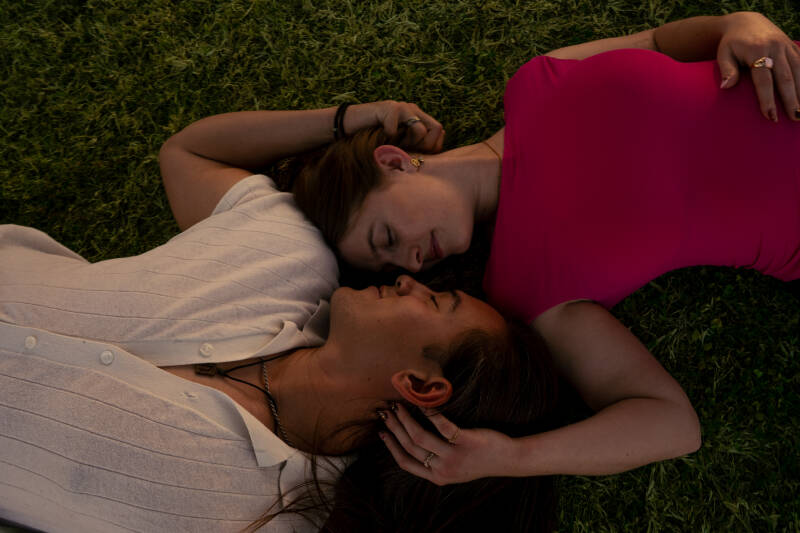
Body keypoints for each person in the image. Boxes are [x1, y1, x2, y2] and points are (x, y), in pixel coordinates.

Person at [287, 11, 800, 485]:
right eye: (389, 263)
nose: (411, 263)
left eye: (388, 237)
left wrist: (742, 22)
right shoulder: (526, 287)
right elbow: (671, 423)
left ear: (396, 162)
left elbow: (661, 41)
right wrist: (512, 458)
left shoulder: (537, 82)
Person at [0, 103, 562, 530]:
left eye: (436, 303)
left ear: (420, 385)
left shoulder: (265, 513)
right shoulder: (287, 254)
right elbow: (190, 154)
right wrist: (346, 119)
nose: (411, 279)